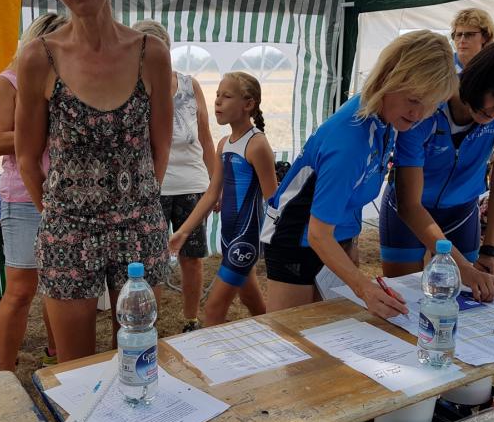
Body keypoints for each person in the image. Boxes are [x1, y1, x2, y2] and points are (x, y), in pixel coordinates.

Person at [15, 0, 173, 362]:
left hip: (139, 226)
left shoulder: (151, 53)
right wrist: (59, 216)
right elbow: (26, 157)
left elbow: (161, 146)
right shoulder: (39, 58)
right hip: (68, 230)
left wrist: (139, 205)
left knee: (140, 358)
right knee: (76, 370)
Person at [262, 31, 458, 318]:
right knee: (292, 336)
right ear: (390, 78)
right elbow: (318, 234)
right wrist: (363, 287)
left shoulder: (387, 116)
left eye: (431, 106)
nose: (419, 114)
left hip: (337, 235)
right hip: (295, 239)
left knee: (335, 331)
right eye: (414, 100)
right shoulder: (350, 140)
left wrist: (349, 245)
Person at [379, 38, 494, 302]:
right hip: (408, 210)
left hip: (461, 212)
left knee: (466, 300)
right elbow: (409, 205)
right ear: (477, 78)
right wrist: (463, 267)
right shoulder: (427, 105)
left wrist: (491, 249)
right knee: (405, 302)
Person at [0, 13, 66, 371]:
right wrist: (48, 129)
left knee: (59, 285)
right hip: (22, 198)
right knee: (20, 289)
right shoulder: (6, 83)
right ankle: (5, 371)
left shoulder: (64, 83)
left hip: (64, 196)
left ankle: (57, 355)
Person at [169, 72, 277, 326]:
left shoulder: (257, 145)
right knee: (251, 300)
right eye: (217, 95)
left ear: (248, 104)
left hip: (245, 241)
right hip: (228, 239)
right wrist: (183, 232)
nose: (217, 101)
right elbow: (211, 193)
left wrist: (277, 245)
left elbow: (274, 200)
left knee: (213, 309)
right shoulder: (223, 144)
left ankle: (206, 354)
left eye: (226, 96)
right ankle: (276, 335)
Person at [131, 20, 215, 333]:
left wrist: (215, 185)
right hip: (150, 189)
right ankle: (146, 326)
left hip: (192, 185)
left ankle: (191, 320)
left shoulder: (190, 85)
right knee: (150, 261)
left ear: (167, 50)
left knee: (192, 258)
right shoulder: (131, 88)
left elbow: (205, 138)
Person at [450, 8, 494, 72]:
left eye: (469, 34)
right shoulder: (445, 63)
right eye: (459, 35)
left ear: (485, 37)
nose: (462, 40)